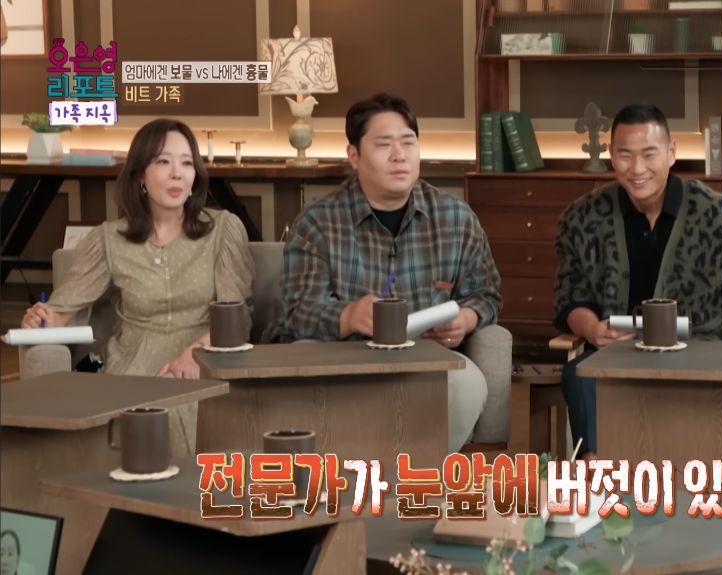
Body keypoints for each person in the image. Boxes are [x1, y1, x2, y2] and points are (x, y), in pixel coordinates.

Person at [275, 93, 505, 453]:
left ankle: (418, 474)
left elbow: (487, 294)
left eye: (408, 143)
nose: (399, 155)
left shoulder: (456, 218)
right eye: (384, 145)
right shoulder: (317, 223)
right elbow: (297, 311)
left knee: (468, 385)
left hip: (424, 357)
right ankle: (352, 477)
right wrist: (348, 316)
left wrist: (466, 318)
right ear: (354, 155)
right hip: (343, 359)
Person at [554, 103, 722, 459]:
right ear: (612, 155)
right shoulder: (584, 218)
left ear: (671, 152)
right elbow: (571, 295)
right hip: (620, 354)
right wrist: (592, 329)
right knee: (580, 373)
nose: (637, 169)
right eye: (625, 155)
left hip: (704, 351)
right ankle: (598, 472)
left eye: (649, 154)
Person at [20, 118, 255, 456]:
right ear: (140, 176)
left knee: (185, 405)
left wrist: (195, 354)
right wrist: (42, 319)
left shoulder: (223, 230)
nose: (177, 174)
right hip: (135, 363)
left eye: (187, 163)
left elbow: (237, 315)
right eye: (163, 162)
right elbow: (62, 311)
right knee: (142, 411)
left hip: (203, 357)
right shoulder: (109, 240)